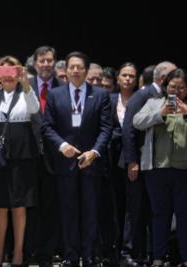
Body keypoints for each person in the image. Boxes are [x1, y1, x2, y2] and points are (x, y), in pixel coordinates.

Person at [41, 51, 111, 267]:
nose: (75, 70)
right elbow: (47, 126)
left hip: (92, 162)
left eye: (80, 67)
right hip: (66, 162)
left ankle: (89, 256)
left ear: (87, 70)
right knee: (68, 211)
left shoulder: (100, 95)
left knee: (90, 211)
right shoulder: (55, 94)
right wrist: (62, 145)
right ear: (66, 71)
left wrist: (95, 151)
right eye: (72, 67)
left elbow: (106, 128)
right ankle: (71, 256)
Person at [0, 55, 39, 267]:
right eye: (4, 72)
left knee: (19, 207)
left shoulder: (25, 94)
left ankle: (18, 253)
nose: (8, 76)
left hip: (22, 158)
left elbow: (35, 108)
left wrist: (25, 82)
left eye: (12, 72)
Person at [133, 68, 187, 267]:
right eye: (172, 86)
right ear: (165, 86)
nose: (176, 91)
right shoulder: (154, 102)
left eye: (181, 87)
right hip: (157, 170)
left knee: (186, 215)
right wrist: (159, 114)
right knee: (160, 214)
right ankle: (158, 258)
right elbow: (137, 122)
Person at [120, 61, 177, 267]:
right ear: (163, 78)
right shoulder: (143, 95)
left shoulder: (165, 98)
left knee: (155, 209)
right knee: (134, 209)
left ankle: (152, 253)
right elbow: (128, 129)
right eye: (173, 77)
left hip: (154, 164)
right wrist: (132, 160)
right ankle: (129, 253)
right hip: (137, 163)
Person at [26, 45, 63, 267]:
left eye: (50, 60)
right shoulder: (26, 87)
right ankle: (30, 250)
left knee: (51, 207)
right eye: (42, 60)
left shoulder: (63, 87)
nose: (46, 64)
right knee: (30, 207)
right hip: (28, 155)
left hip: (54, 156)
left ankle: (46, 254)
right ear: (35, 63)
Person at [100, 63, 138, 265]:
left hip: (134, 160)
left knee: (132, 207)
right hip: (111, 159)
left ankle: (128, 250)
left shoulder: (141, 99)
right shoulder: (110, 98)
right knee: (113, 206)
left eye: (132, 76)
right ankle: (110, 249)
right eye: (124, 75)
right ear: (118, 79)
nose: (127, 79)